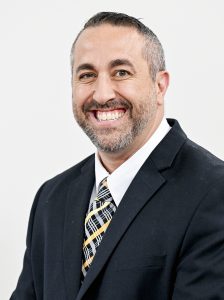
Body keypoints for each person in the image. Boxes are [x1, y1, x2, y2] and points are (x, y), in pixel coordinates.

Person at [11, 11, 224, 300]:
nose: (101, 94)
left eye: (121, 72)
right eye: (86, 75)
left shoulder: (214, 193)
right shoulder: (51, 198)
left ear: (160, 86)